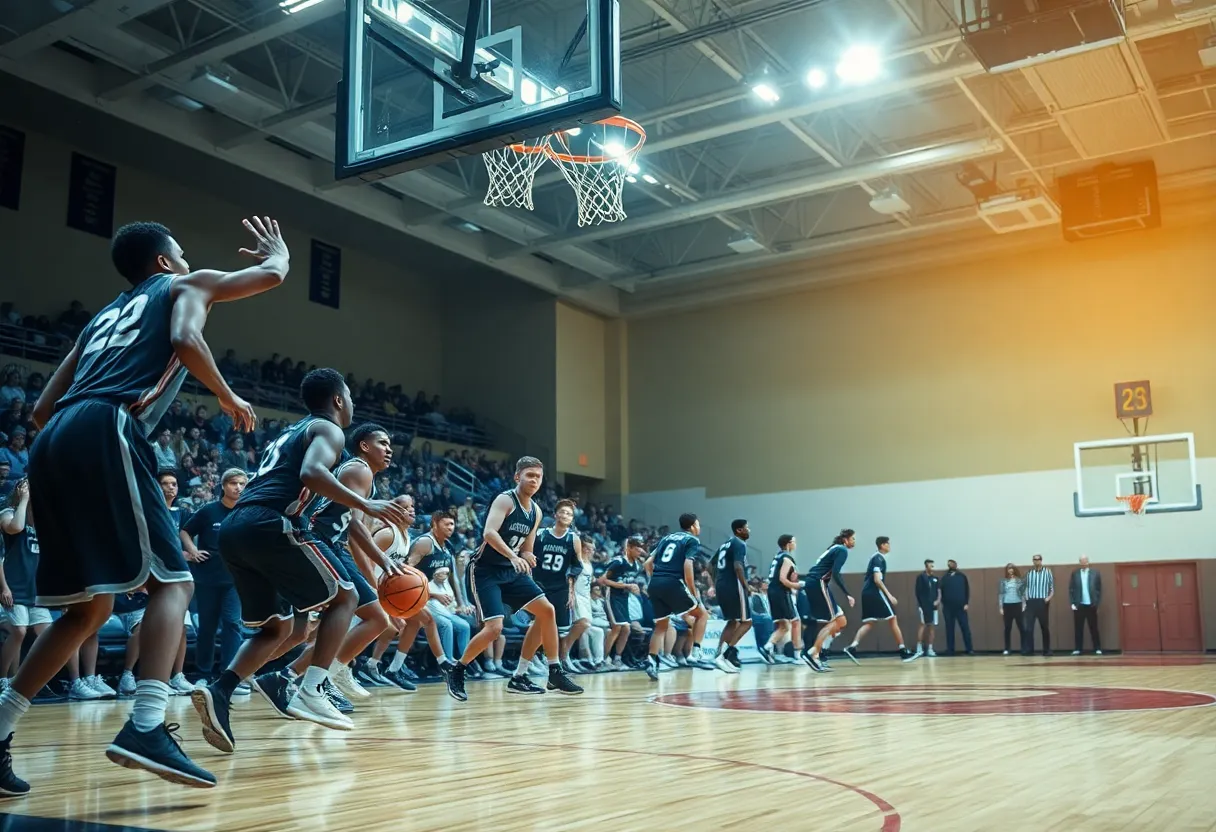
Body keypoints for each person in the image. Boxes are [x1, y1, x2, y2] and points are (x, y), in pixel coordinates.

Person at [0, 217, 288, 794]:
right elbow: (258, 284)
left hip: (52, 441)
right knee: (173, 583)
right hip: (108, 421)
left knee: (89, 610)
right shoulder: (184, 285)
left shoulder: (101, 318)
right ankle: (147, 725)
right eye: (181, 252)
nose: (188, 259)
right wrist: (277, 256)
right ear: (163, 263)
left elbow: (38, 412)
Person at [190, 369, 409, 754]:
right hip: (272, 523)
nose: (353, 405)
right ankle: (312, 686)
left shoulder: (294, 430)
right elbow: (311, 472)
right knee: (345, 598)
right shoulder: (331, 431)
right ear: (339, 400)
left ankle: (220, 692)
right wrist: (365, 503)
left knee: (276, 630)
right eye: (350, 398)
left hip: (236, 529)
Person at [445, 457, 582, 701]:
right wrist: (513, 556)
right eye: (529, 475)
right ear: (517, 477)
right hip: (485, 570)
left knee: (546, 610)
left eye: (538, 477)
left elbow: (527, 548)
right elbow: (489, 533)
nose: (534, 480)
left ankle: (544, 672)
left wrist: (528, 557)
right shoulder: (505, 499)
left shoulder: (536, 512)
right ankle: (457, 670)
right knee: (494, 628)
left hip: (511, 571)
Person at [291, 423, 403, 701]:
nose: (389, 450)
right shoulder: (359, 469)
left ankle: (316, 675)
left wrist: (382, 561)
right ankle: (303, 677)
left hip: (333, 544)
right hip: (318, 540)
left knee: (373, 619)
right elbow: (353, 524)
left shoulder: (366, 475)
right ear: (364, 446)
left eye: (390, 445)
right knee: (294, 631)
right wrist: (381, 562)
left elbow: (352, 525)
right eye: (382, 443)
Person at [180, 468, 247, 682]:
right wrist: (192, 550)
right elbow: (185, 531)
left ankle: (228, 676)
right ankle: (203, 674)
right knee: (207, 627)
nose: (238, 488)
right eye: (233, 483)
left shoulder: (247, 511)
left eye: (242, 484)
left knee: (233, 624)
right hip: (207, 576)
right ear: (224, 486)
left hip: (235, 578)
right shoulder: (209, 511)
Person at [641, 513, 710, 680]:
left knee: (661, 627)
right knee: (702, 614)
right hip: (673, 582)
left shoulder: (667, 538)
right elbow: (688, 566)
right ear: (693, 525)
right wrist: (693, 591)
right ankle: (695, 653)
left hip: (655, 583)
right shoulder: (692, 540)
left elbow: (647, 563)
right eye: (698, 524)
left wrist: (655, 579)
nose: (699, 527)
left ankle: (652, 659)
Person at [0, 482, 51, 686]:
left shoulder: (40, 520)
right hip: (14, 586)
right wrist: (24, 501)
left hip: (35, 590)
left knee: (48, 634)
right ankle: (3, 678)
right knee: (19, 632)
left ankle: (20, 678)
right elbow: (15, 528)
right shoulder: (7, 512)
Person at [843, 537, 917, 663]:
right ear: (882, 545)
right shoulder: (878, 559)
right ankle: (903, 651)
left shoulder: (875, 558)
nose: (889, 546)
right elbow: (877, 580)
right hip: (874, 593)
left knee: (869, 623)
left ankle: (852, 647)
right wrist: (889, 595)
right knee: (893, 619)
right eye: (888, 543)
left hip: (865, 594)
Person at [532, 500, 581, 671]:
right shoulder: (541, 534)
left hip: (560, 586)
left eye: (569, 514)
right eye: (563, 512)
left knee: (561, 630)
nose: (566, 515)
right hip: (539, 584)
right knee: (538, 624)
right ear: (555, 515)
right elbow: (528, 555)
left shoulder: (573, 539)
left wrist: (571, 591)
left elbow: (577, 566)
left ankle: (556, 660)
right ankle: (535, 657)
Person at [801, 529, 855, 672]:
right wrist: (847, 594)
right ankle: (813, 653)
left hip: (815, 583)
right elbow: (836, 573)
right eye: (853, 538)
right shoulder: (842, 550)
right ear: (846, 539)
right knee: (833, 621)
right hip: (818, 583)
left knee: (841, 621)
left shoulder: (833, 548)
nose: (854, 541)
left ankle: (822, 651)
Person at [712, 519, 753, 673]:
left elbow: (710, 565)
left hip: (722, 585)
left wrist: (716, 582)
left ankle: (718, 654)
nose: (749, 530)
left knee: (732, 622)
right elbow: (737, 566)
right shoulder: (739, 543)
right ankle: (726, 654)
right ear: (739, 530)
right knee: (747, 622)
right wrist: (746, 585)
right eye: (746, 528)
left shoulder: (725, 544)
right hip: (734, 586)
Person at [600, 536, 647, 670]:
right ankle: (602, 659)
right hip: (612, 596)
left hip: (624, 598)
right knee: (617, 627)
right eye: (637, 549)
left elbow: (629, 582)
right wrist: (625, 586)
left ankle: (617, 658)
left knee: (626, 628)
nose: (640, 551)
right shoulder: (618, 562)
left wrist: (634, 587)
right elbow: (602, 580)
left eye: (641, 549)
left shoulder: (637, 565)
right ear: (629, 548)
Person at [758, 534, 804, 665]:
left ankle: (767, 647)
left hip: (773, 592)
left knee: (783, 625)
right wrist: (797, 585)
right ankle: (797, 655)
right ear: (788, 544)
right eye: (794, 542)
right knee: (796, 622)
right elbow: (783, 579)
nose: (795, 544)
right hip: (781, 592)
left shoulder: (777, 556)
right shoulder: (787, 558)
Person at [1069, 555, 1102, 655]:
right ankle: (1078, 648)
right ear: (1080, 563)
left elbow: (1099, 589)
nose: (1083, 564)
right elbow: (1071, 589)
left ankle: (1097, 648)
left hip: (1091, 605)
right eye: (1082, 562)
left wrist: (1097, 603)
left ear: (1088, 562)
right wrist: (1072, 603)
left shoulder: (1095, 573)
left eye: (1085, 562)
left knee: (1094, 628)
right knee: (1078, 628)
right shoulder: (1075, 573)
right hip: (1079, 605)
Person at [1022, 553, 1054, 656]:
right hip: (1031, 601)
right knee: (1029, 627)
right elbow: (1025, 587)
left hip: (1042, 601)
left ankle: (1047, 650)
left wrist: (1048, 598)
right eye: (1034, 560)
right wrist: (1026, 599)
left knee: (1044, 627)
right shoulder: (1029, 573)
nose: (1036, 561)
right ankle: (1029, 650)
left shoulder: (1047, 572)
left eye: (1038, 559)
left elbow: (1052, 588)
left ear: (1041, 560)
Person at [940, 559, 973, 656]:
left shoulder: (962, 576)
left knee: (965, 628)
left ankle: (969, 649)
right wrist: (943, 603)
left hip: (961, 607)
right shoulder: (945, 578)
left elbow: (967, 590)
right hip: (948, 608)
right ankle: (950, 650)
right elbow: (941, 591)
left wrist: (966, 603)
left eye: (952, 563)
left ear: (956, 565)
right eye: (949, 564)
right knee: (949, 629)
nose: (951, 565)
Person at [997, 563, 1025, 656]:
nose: (1010, 570)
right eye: (1009, 569)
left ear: (1014, 570)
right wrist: (1001, 607)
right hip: (1007, 605)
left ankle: (1024, 648)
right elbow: (1001, 594)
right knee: (1007, 628)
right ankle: (1007, 648)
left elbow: (1023, 593)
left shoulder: (1019, 580)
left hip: (1017, 604)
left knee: (1021, 627)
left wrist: (1024, 605)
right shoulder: (1003, 581)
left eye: (1012, 568)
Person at [914, 559, 940, 658]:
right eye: (930, 565)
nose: (932, 567)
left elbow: (939, 591)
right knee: (923, 625)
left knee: (932, 626)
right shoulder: (921, 577)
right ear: (926, 566)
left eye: (933, 566)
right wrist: (920, 605)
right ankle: (919, 648)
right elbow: (918, 592)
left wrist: (938, 600)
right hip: (924, 606)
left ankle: (930, 649)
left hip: (934, 607)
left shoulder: (935, 578)